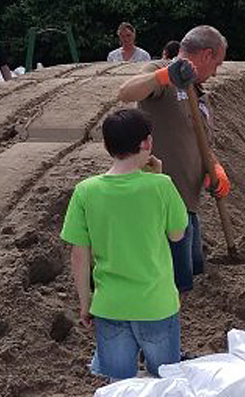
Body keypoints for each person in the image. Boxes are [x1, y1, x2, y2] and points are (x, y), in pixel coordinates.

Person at [60, 108, 187, 379]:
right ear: (147, 143)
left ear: (107, 145)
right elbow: (177, 236)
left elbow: (79, 256)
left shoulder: (86, 191)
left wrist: (86, 302)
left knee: (118, 390)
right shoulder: (161, 186)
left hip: (110, 305)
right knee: (167, 384)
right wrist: (156, 176)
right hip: (156, 304)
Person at [118, 25, 232, 295]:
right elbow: (125, 92)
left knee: (191, 273)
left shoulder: (197, 90)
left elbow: (200, 140)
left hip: (188, 205)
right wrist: (162, 76)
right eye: (216, 63)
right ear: (205, 55)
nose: (215, 72)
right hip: (163, 206)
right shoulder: (162, 73)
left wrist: (214, 166)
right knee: (175, 286)